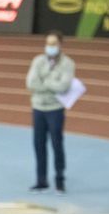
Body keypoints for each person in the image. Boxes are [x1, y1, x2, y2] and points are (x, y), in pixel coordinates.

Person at [25, 30, 75, 194]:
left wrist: (44, 81)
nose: (50, 47)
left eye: (53, 44)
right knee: (38, 145)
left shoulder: (68, 64)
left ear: (60, 45)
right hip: (38, 108)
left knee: (56, 144)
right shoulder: (38, 61)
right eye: (48, 43)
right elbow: (31, 83)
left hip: (55, 110)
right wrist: (52, 83)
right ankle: (41, 180)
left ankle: (60, 180)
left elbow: (64, 86)